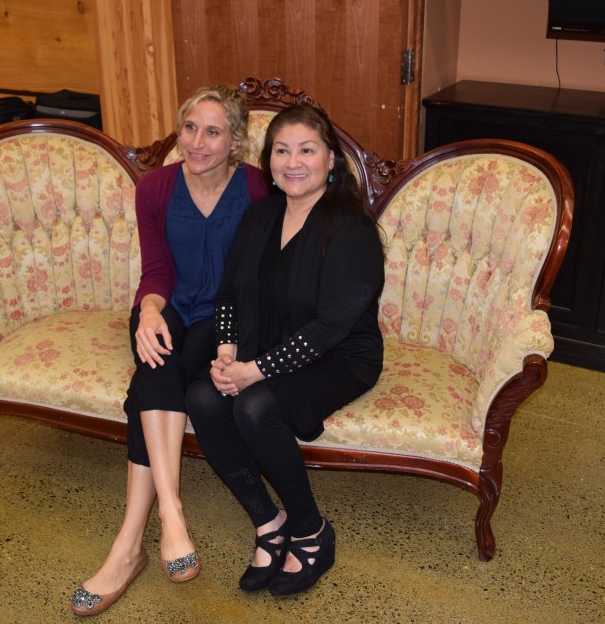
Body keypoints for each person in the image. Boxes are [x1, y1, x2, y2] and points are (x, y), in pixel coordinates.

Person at [69, 86, 270, 616]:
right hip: (168, 304)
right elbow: (155, 268)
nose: (197, 143)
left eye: (212, 132)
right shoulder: (155, 187)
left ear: (236, 142)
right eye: (189, 129)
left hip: (221, 319)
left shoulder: (256, 187)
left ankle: (128, 544)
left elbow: (256, 277)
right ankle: (173, 516)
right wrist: (151, 311)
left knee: (151, 381)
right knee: (155, 354)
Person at [185, 104, 385, 598]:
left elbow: (331, 327)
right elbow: (229, 293)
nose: (292, 162)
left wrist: (255, 371)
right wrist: (229, 352)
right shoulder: (262, 215)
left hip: (340, 356)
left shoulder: (352, 229)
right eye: (281, 150)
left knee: (255, 405)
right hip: (265, 345)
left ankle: (311, 529)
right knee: (204, 397)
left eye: (306, 150)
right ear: (267, 160)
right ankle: (267, 522)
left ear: (331, 160)